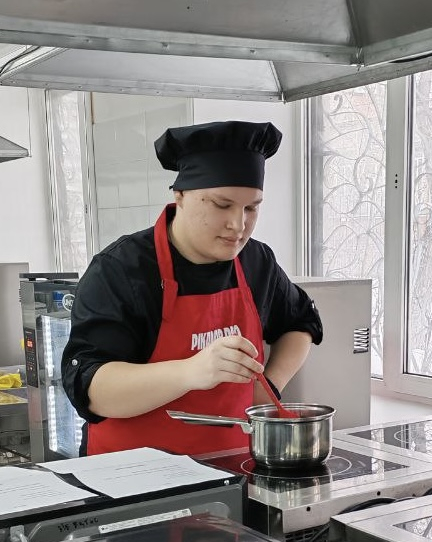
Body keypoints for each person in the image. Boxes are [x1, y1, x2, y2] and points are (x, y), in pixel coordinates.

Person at [61, 120, 323, 458]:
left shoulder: (256, 261)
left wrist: (269, 386)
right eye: (221, 205)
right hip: (133, 474)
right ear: (180, 196)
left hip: (233, 467)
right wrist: (192, 371)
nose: (238, 225)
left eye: (251, 207)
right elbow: (92, 389)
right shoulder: (121, 269)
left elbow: (300, 323)